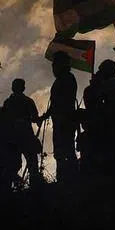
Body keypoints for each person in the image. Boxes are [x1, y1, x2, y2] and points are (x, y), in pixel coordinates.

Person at [38, 53, 78, 183]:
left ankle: (69, 178)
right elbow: (55, 104)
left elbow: (61, 102)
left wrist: (47, 115)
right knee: (62, 150)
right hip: (60, 120)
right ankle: (65, 177)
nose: (53, 69)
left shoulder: (67, 79)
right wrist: (45, 116)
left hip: (65, 120)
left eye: (55, 65)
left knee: (66, 150)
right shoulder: (61, 80)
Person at [3, 78, 41, 186]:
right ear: (23, 88)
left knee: (13, 165)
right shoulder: (28, 101)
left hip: (13, 138)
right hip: (24, 137)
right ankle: (34, 187)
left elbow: (3, 120)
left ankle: (11, 188)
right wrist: (41, 119)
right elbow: (35, 118)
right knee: (32, 164)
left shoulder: (8, 102)